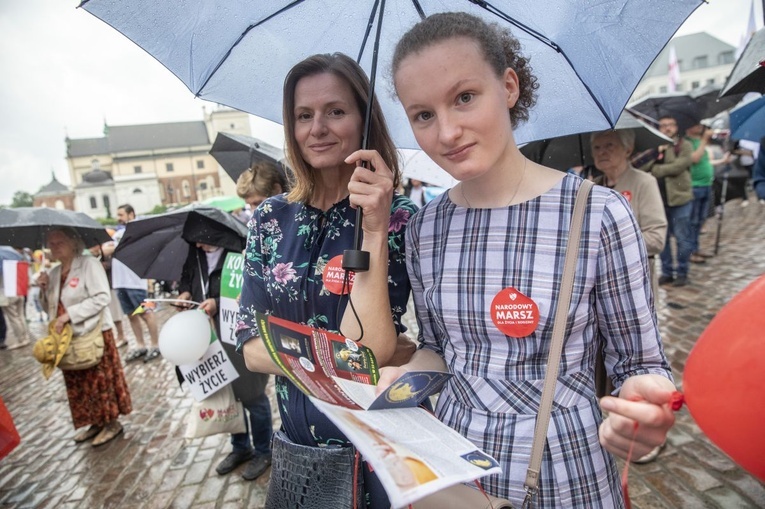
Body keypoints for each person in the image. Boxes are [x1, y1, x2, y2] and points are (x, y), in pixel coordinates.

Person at [379, 12, 676, 507]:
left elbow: (640, 361)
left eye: (464, 97)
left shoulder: (596, 214)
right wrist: (404, 379)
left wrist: (644, 408)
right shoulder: (424, 227)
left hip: (565, 468)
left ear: (509, 86)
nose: (447, 132)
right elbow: (438, 350)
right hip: (453, 472)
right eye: (423, 115)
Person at [236, 53, 416, 508]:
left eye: (335, 111)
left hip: (377, 447)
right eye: (303, 115)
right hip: (297, 445)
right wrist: (354, 357)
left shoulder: (401, 221)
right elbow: (251, 347)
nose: (317, 128)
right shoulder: (270, 219)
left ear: (364, 122)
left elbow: (371, 348)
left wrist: (374, 227)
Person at [177, 236, 273, 481]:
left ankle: (264, 450)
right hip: (209, 337)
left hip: (237, 337)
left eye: (201, 239)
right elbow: (187, 280)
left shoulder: (238, 254)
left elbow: (251, 293)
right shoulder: (194, 254)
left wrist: (217, 303)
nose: (198, 245)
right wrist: (184, 293)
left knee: (252, 397)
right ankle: (240, 446)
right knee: (228, 395)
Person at [37, 227, 131, 446]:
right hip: (68, 339)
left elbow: (102, 297)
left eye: (59, 242)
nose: (54, 247)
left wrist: (69, 315)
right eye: (50, 244)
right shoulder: (53, 273)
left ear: (73, 243)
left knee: (100, 382)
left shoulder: (88, 264)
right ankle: (94, 422)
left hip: (93, 333)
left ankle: (111, 423)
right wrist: (43, 290)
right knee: (79, 383)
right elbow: (49, 308)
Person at [591, 129, 667, 295]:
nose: (601, 152)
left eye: (609, 145)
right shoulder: (592, 187)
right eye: (596, 148)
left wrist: (608, 244)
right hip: (599, 283)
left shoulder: (644, 183)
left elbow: (656, 239)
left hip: (634, 280)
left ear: (628, 149)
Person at [639, 115, 694, 287]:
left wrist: (657, 169)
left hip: (680, 198)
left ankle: (683, 271)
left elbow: (679, 166)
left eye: (670, 125)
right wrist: (657, 154)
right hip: (660, 200)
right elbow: (641, 166)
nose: (667, 128)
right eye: (663, 126)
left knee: (682, 237)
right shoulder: (655, 148)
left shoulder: (684, 145)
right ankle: (668, 271)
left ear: (676, 127)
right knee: (662, 240)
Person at [102, 204, 160, 362]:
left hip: (136, 282)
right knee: (131, 315)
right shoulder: (118, 233)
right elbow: (104, 250)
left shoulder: (139, 232)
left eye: (121, 214)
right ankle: (141, 345)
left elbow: (113, 249)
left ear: (131, 214)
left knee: (146, 313)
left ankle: (156, 344)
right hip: (120, 282)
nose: (118, 218)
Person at [685, 123, 716, 263]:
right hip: (695, 185)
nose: (699, 126)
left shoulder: (698, 140)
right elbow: (694, 158)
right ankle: (691, 251)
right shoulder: (687, 142)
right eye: (695, 123)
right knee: (693, 221)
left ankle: (696, 248)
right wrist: (704, 140)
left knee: (701, 219)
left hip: (706, 185)